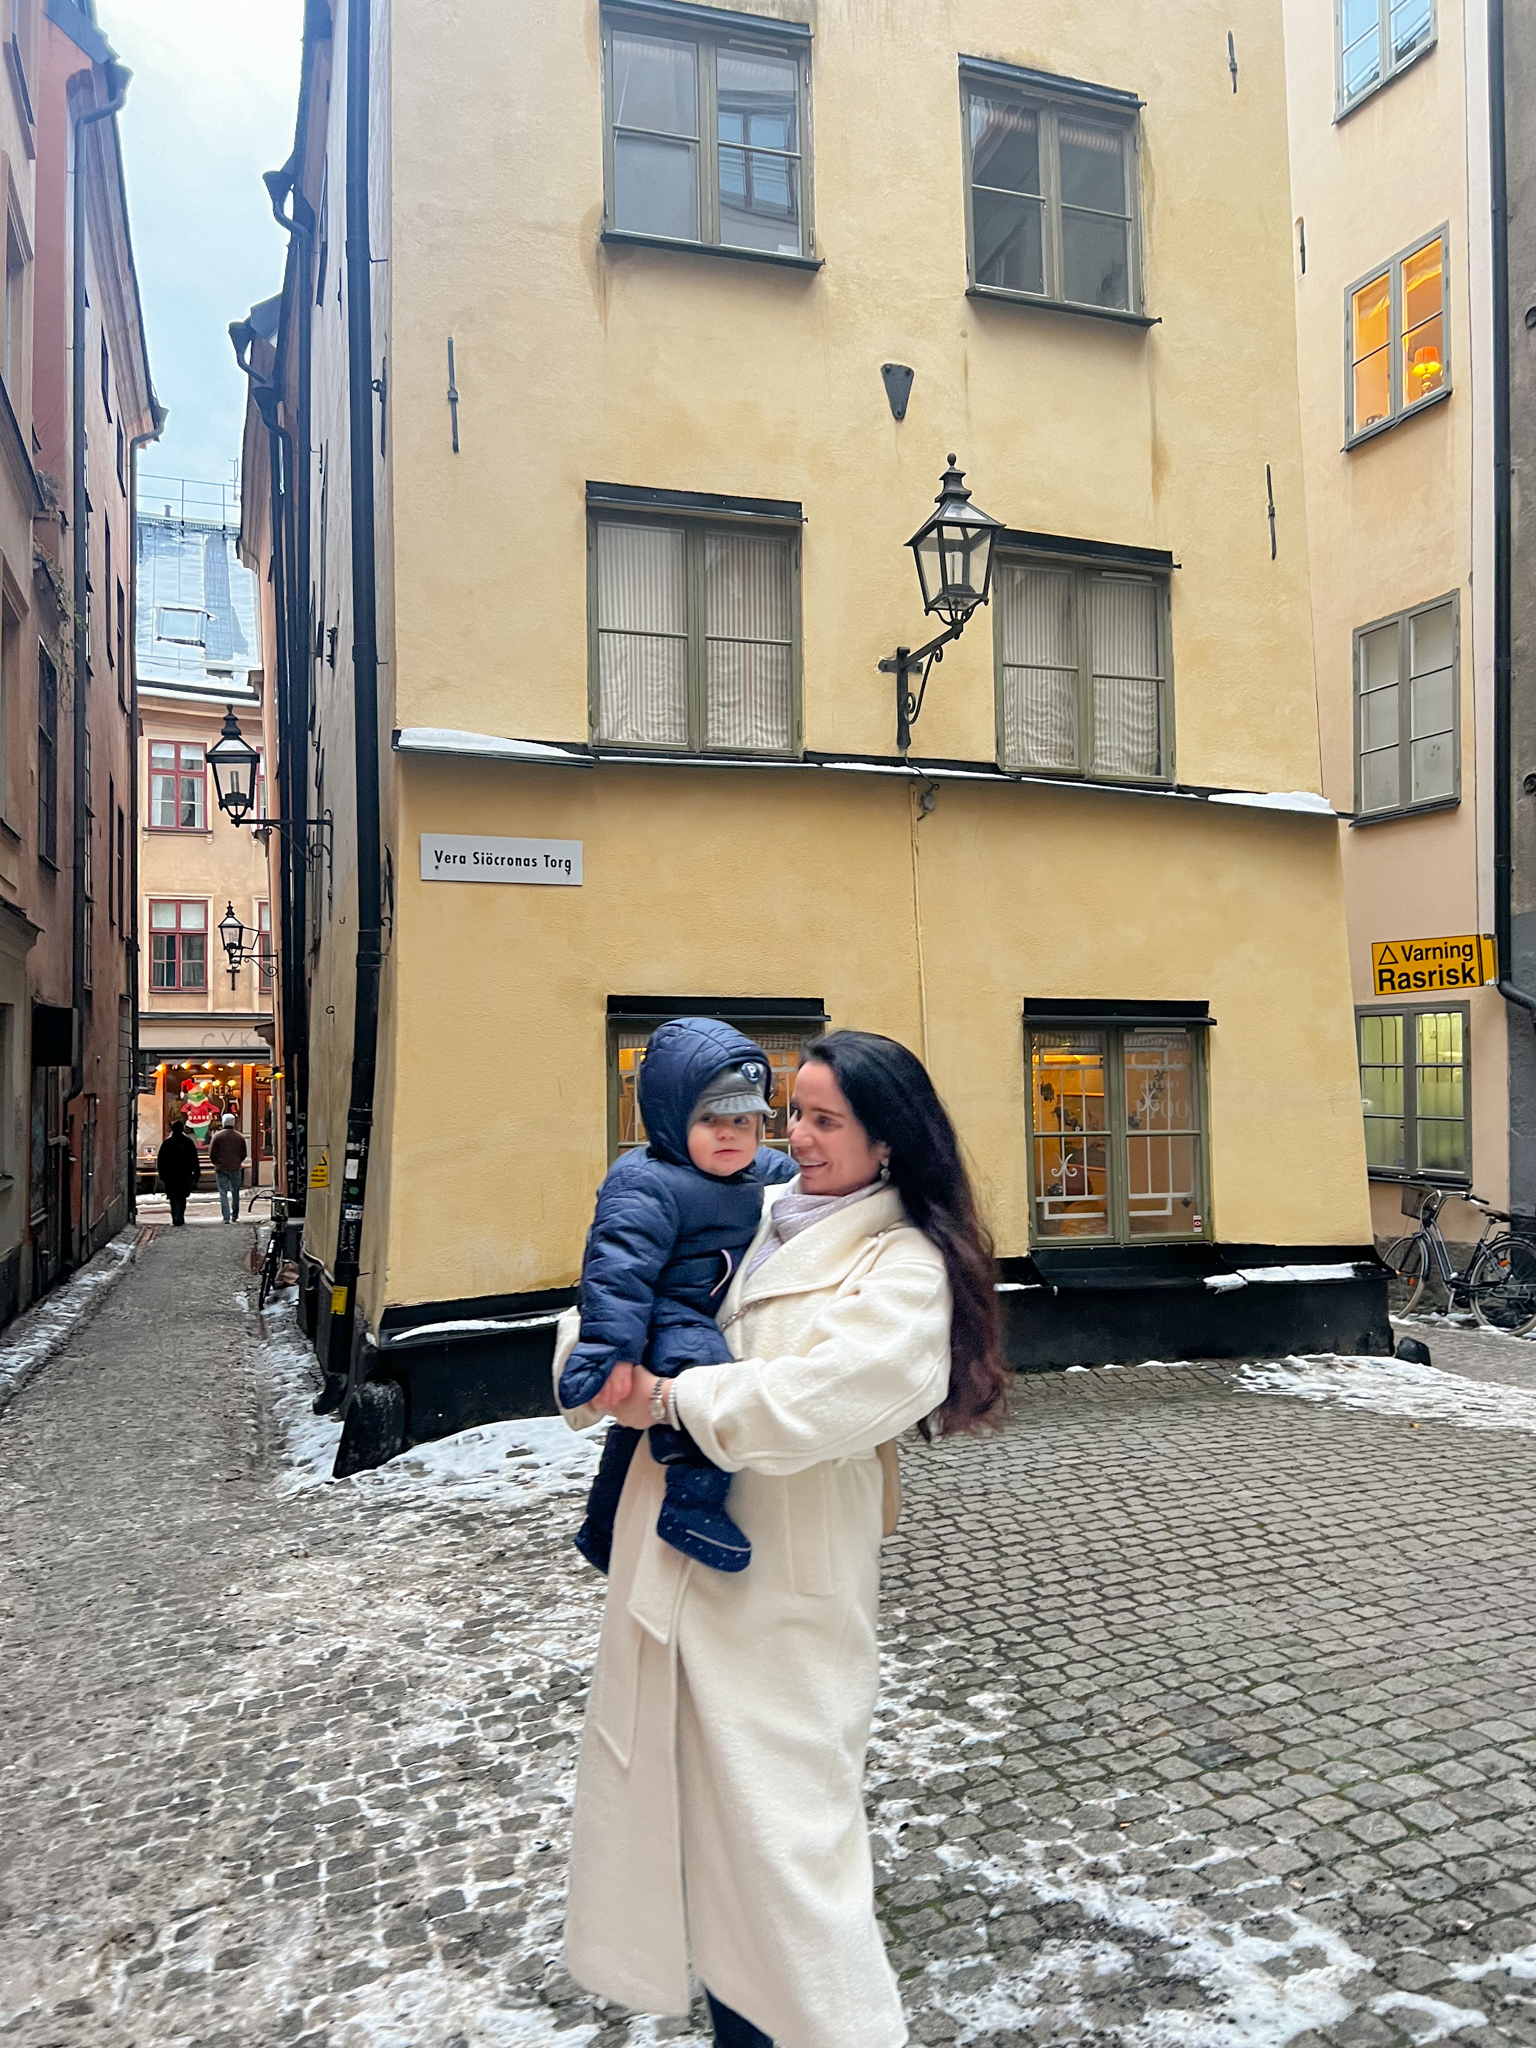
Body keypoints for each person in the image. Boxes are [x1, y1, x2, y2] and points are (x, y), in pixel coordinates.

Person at [561, 1030, 1009, 2048]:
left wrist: (664, 1397)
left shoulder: (902, 1265)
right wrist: (594, 1367)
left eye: (823, 1119)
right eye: (794, 1112)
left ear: (887, 1141)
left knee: (792, 1868)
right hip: (674, 1575)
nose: (794, 1136)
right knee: (707, 1856)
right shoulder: (756, 1207)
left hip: (779, 1603)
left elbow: (816, 1401)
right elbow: (618, 1298)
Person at [560, 1017, 796, 1575]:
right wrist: (613, 1355)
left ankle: (604, 1530)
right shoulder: (646, 1182)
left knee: (631, 1435)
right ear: (672, 1121)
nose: (728, 1134)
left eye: (743, 1120)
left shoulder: (753, 1170)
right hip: (664, 1312)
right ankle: (691, 1506)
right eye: (709, 1120)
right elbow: (617, 1271)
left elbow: (797, 1176)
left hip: (700, 1307)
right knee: (711, 1388)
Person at [155, 1113, 201, 1227]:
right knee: (182, 1196)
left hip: (170, 1175)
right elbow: (194, 1159)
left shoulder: (167, 1143)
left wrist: (162, 1174)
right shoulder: (188, 1142)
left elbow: (161, 1160)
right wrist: (196, 1174)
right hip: (184, 1174)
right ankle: (180, 1214)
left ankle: (175, 1215)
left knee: (173, 1196)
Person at [208, 1112, 248, 1224]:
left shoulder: (217, 1136)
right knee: (235, 1192)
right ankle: (235, 1214)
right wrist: (237, 1162)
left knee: (223, 1192)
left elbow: (212, 1152)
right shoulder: (239, 1137)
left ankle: (226, 1217)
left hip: (221, 1168)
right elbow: (244, 1153)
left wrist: (216, 1163)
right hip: (235, 1168)